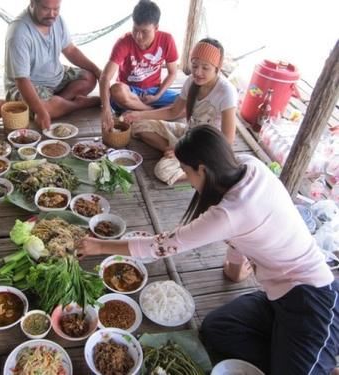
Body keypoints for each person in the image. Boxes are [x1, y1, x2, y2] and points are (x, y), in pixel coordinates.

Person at [78, 125, 339, 375]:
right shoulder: (250, 166)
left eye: (186, 171)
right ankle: (292, 353)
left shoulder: (228, 212)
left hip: (313, 300)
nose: (187, 179)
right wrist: (236, 268)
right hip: (277, 299)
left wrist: (98, 245)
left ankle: (315, 357)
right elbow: (244, 230)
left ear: (201, 169)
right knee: (217, 329)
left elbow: (160, 246)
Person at [122, 38, 238, 185]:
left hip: (207, 149)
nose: (198, 72)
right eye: (195, 65)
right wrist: (138, 115)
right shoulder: (191, 81)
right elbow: (173, 111)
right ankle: (173, 150)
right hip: (188, 133)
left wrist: (189, 153)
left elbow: (228, 140)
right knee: (139, 125)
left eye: (205, 68)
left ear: (217, 68)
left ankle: (201, 171)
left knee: (163, 171)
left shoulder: (226, 91)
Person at [4, 0, 102, 130]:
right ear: (32, 3)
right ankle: (78, 104)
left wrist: (98, 71)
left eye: (56, 9)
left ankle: (58, 103)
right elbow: (22, 80)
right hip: (25, 85)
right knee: (45, 108)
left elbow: (70, 50)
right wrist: (41, 111)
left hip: (56, 75)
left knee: (89, 77)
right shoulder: (18, 32)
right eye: (45, 8)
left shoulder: (57, 20)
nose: (52, 14)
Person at [100, 0, 179, 130]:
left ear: (156, 28)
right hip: (129, 94)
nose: (138, 36)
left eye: (144, 31)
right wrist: (106, 109)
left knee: (186, 102)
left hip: (153, 91)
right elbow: (105, 77)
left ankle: (142, 113)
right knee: (116, 90)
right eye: (135, 29)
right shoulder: (123, 42)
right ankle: (155, 113)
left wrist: (157, 96)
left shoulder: (167, 39)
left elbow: (173, 72)